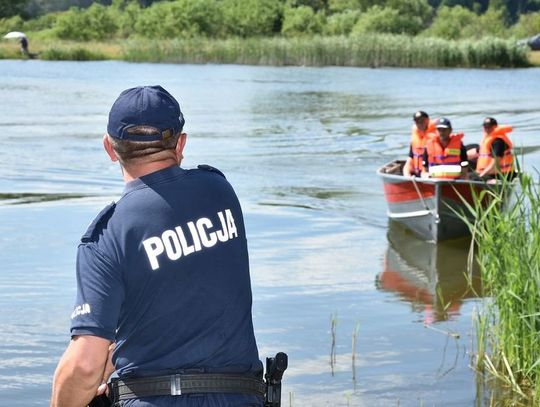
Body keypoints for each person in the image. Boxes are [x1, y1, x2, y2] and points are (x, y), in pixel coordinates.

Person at [51, 85, 264, 407]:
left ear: (110, 148)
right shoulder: (220, 191)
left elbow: (83, 365)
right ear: (180, 144)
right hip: (239, 396)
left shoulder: (107, 235)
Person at [403, 111, 437, 177]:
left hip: (431, 173)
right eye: (417, 122)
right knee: (405, 170)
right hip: (417, 173)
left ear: (427, 120)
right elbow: (410, 157)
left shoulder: (437, 136)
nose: (420, 124)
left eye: (422, 121)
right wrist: (406, 172)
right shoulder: (415, 137)